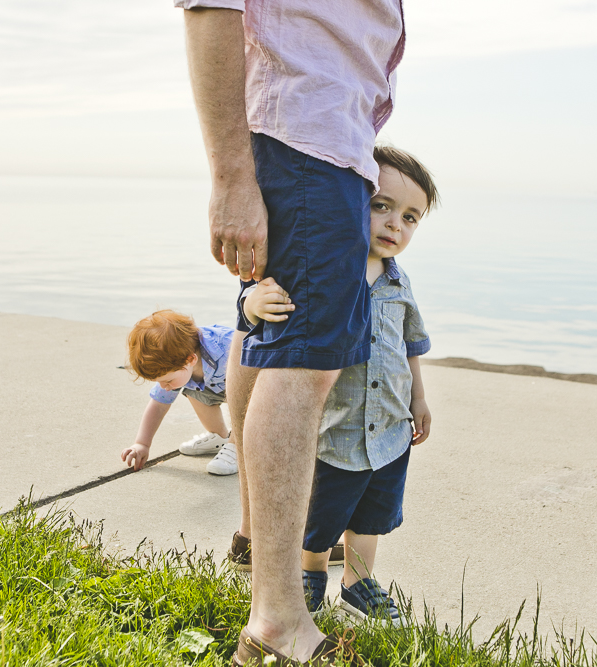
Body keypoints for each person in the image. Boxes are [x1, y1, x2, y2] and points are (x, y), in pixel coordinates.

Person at [175, 0, 407, 663]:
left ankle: (258, 544)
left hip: (316, 142)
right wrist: (230, 176)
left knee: (273, 341)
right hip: (304, 143)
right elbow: (209, 6)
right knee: (304, 365)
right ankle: (278, 620)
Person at [243, 146, 438, 627]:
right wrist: (252, 302)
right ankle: (310, 573)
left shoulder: (399, 281)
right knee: (321, 515)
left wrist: (420, 397)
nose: (396, 224)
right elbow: (260, 304)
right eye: (382, 206)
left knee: (371, 515)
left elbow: (412, 342)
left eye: (410, 217)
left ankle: (358, 580)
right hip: (337, 429)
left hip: (390, 427)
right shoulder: (331, 270)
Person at [120, 310, 239, 476]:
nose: (164, 386)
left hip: (250, 387)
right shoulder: (179, 363)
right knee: (191, 387)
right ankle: (219, 436)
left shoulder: (229, 348)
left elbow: (255, 389)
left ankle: (238, 445)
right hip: (219, 385)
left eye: (167, 381)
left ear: (190, 360)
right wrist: (142, 444)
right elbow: (158, 404)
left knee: (243, 398)